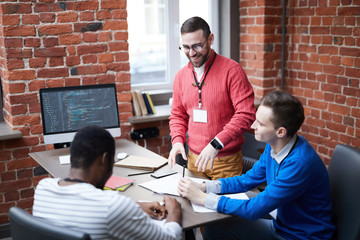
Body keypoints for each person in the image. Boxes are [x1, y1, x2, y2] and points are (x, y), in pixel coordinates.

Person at [178, 91, 335, 239]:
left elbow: (255, 209)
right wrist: (206, 187)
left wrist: (203, 198)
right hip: (282, 221)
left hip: (297, 235)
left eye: (260, 123)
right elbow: (249, 179)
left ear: (280, 132)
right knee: (219, 216)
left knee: (215, 226)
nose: (252, 126)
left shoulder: (299, 164)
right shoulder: (275, 144)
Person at [33, 125, 182, 240]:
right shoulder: (112, 206)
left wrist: (136, 206)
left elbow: (84, 203)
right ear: (104, 160)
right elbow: (168, 238)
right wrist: (174, 211)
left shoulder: (43, 188)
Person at [168, 16, 256, 180]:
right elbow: (178, 115)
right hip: (193, 159)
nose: (192, 53)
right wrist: (178, 141)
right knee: (192, 205)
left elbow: (246, 114)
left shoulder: (232, 70)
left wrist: (217, 143)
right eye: (186, 47)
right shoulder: (181, 76)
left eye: (197, 46)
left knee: (222, 206)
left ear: (211, 39)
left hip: (226, 162)